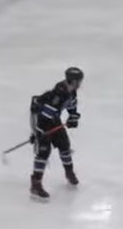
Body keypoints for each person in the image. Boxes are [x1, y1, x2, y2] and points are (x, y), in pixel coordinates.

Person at [28, 67, 84, 200]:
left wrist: (73, 117)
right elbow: (43, 116)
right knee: (43, 152)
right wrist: (39, 132)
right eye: (78, 81)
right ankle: (35, 184)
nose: (80, 83)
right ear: (72, 81)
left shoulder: (72, 91)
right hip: (41, 119)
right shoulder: (58, 95)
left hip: (53, 118)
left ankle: (69, 172)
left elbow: (71, 105)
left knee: (64, 145)